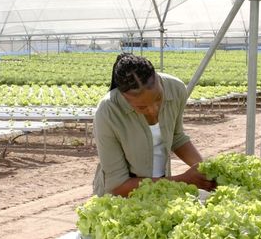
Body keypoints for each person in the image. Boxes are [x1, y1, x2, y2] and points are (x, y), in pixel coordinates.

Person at [92, 53, 216, 197]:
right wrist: (183, 180)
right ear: (124, 97)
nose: (153, 109)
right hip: (121, 198)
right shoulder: (108, 112)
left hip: (162, 189)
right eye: (142, 107)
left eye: (158, 98)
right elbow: (118, 185)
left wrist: (205, 171)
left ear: (158, 77)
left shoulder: (176, 89)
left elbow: (176, 137)